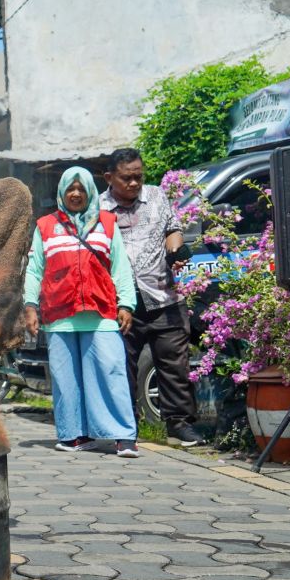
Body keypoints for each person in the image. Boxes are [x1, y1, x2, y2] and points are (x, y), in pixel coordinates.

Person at [25, 167, 140, 456]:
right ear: (62, 192)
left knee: (111, 372)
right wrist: (30, 306)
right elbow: (35, 270)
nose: (75, 193)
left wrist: (126, 304)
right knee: (65, 380)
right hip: (59, 315)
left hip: (101, 313)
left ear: (90, 191)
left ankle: (123, 436)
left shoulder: (107, 223)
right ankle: (74, 435)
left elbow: (120, 266)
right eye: (70, 188)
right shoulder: (45, 226)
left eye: (81, 188)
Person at [101, 147, 205, 447]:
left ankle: (179, 425)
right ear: (109, 178)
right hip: (120, 302)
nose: (134, 183)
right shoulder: (98, 207)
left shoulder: (157, 196)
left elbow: (173, 229)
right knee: (121, 367)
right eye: (126, 178)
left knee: (175, 365)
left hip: (163, 296)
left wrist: (175, 251)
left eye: (139, 176)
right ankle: (126, 428)